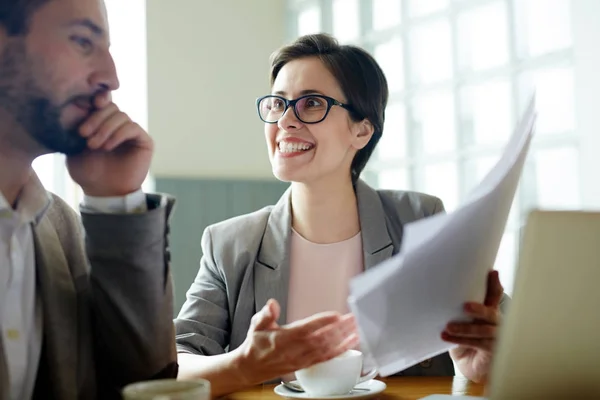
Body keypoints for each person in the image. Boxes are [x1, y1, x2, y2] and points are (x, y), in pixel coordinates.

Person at [175, 33, 508, 396]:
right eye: (278, 104)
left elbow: (521, 340)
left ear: (362, 130)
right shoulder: (230, 244)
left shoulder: (419, 219)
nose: (286, 121)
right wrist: (244, 363)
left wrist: (484, 364)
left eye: (312, 103)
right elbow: (174, 365)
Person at [0, 0, 177, 398]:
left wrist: (115, 200)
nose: (111, 78)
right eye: (83, 41)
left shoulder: (57, 227)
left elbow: (144, 384)